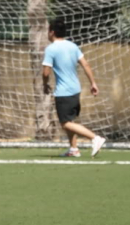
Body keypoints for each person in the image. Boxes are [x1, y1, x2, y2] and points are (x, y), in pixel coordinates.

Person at [42, 18, 106, 158]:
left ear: (52, 32)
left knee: (65, 123)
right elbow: (86, 65)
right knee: (70, 121)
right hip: (76, 89)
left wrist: (45, 84)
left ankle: (95, 138)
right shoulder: (73, 46)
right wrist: (93, 83)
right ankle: (74, 149)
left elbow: (45, 72)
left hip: (63, 92)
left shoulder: (51, 49)